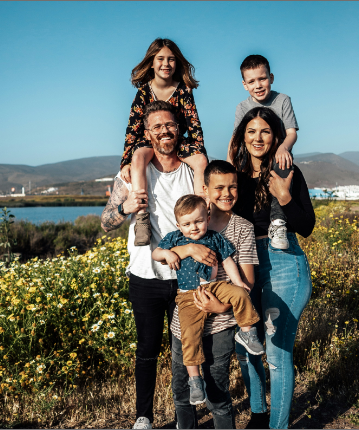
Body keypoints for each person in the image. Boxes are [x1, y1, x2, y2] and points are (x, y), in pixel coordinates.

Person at [101, 101, 224, 430]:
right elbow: (105, 222)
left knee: (190, 347)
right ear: (147, 133)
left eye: (169, 125)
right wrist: (125, 207)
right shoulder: (131, 175)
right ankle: (144, 416)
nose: (164, 131)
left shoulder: (193, 173)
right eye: (156, 126)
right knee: (146, 350)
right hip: (146, 276)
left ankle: (189, 417)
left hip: (188, 278)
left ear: (179, 129)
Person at [229, 106, 315, 429]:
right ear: (242, 137)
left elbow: (306, 225)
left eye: (265, 131)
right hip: (244, 261)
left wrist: (285, 197)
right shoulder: (234, 177)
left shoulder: (287, 171)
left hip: (284, 262)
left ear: (276, 136)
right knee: (246, 345)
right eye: (251, 131)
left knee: (277, 353)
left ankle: (278, 426)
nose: (258, 138)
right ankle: (258, 413)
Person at [167, 160, 260, 429]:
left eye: (233, 187)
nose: (226, 193)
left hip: (221, 323)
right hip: (184, 322)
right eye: (219, 187)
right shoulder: (190, 220)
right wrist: (189, 250)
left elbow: (247, 281)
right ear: (206, 189)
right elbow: (164, 253)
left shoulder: (243, 228)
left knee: (217, 394)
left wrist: (220, 307)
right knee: (181, 391)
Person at [152, 194, 263, 406]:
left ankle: (247, 333)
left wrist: (238, 282)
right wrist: (168, 255)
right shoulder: (175, 239)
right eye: (187, 224)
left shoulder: (214, 238)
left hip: (215, 286)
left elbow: (227, 261)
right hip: (188, 295)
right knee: (189, 335)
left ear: (207, 218)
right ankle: (195, 380)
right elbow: (156, 253)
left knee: (241, 294)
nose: (193, 227)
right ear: (178, 225)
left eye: (198, 221)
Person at [120, 38, 208, 247]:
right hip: (148, 141)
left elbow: (194, 125)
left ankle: (203, 210)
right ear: (151, 63)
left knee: (201, 161)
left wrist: (199, 152)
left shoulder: (184, 90)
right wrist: (125, 162)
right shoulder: (143, 92)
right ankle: (142, 218)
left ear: (177, 63)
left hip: (178, 140)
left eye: (171, 59)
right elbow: (132, 129)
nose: (166, 64)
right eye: (160, 59)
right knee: (138, 157)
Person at [227, 54, 299, 250]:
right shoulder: (242, 107)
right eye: (251, 81)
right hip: (251, 159)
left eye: (262, 79)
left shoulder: (282, 100)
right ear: (244, 85)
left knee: (282, 168)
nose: (258, 85)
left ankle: (278, 224)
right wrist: (229, 165)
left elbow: (292, 133)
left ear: (271, 78)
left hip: (277, 157)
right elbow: (235, 139)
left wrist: (284, 147)